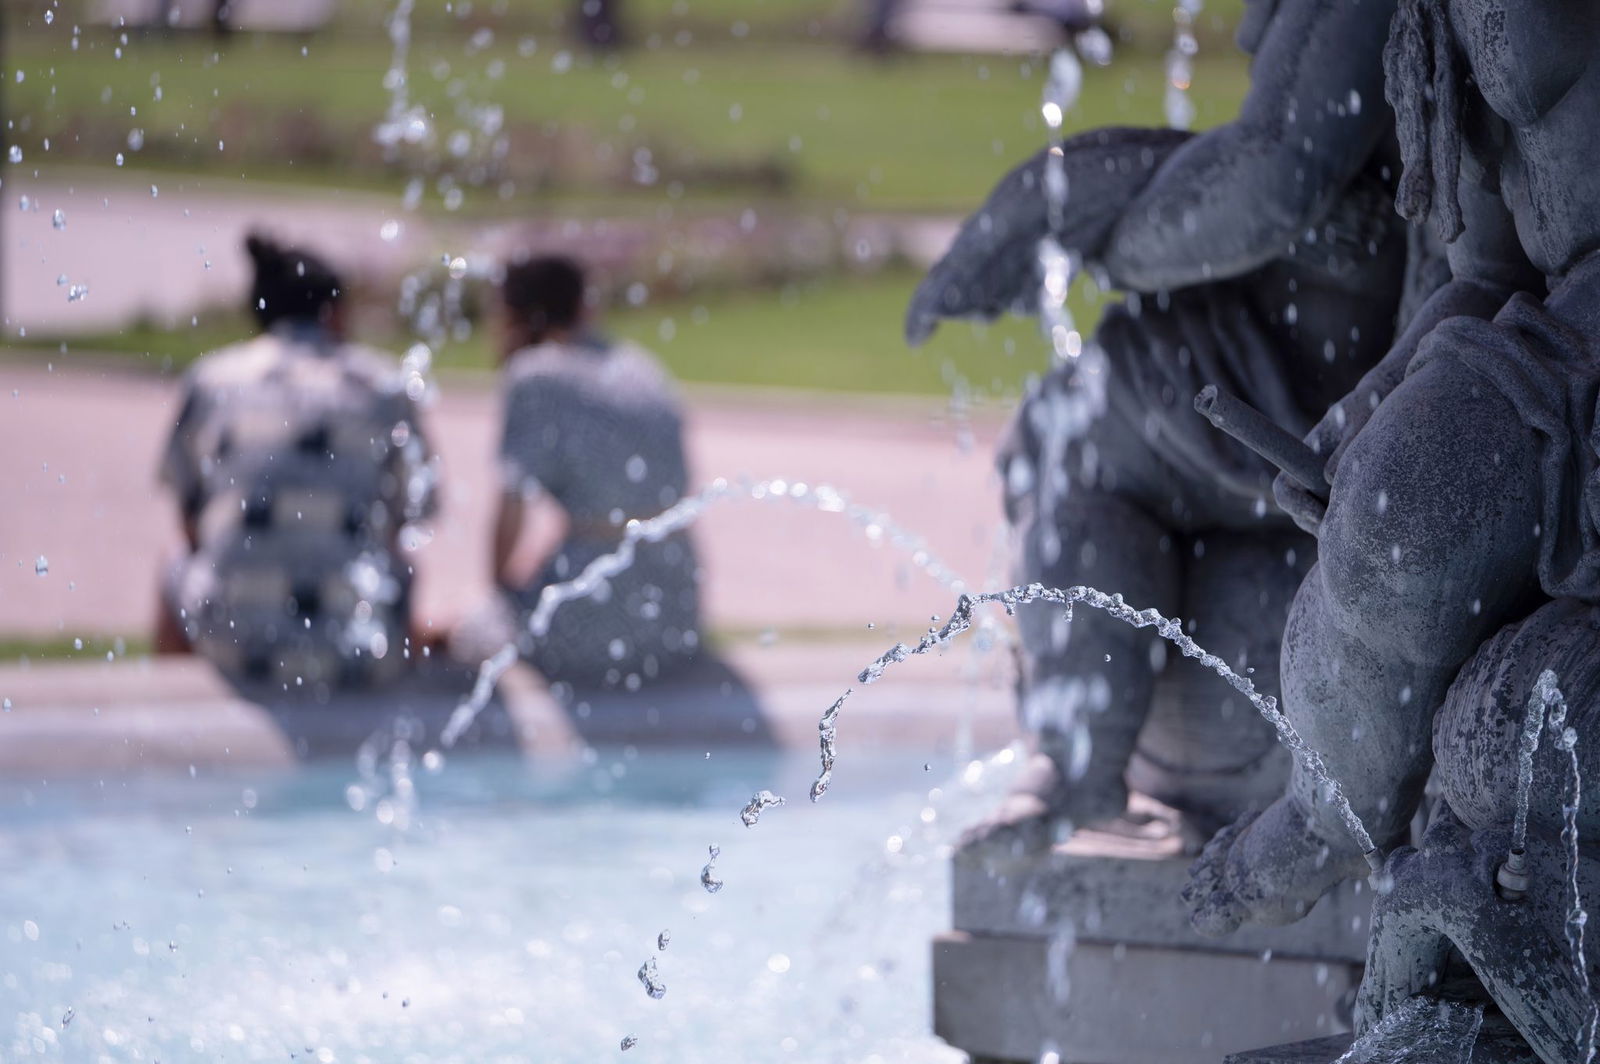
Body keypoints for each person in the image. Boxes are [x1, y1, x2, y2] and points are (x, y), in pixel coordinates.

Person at [910, 0, 1416, 853]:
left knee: (1073, 445)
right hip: (1364, 372)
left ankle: (1082, 760)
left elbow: (1269, 181)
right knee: (1081, 428)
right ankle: (1082, 765)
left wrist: (1077, 218)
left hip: (1336, 396)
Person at [1184, 0, 1591, 943]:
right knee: (1370, 509)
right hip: (1559, 318)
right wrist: (1361, 407)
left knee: (1398, 525)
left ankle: (1332, 819)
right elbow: (1489, 270)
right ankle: (1334, 810)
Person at [157, 233, 439, 691]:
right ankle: (391, 698)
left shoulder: (214, 379)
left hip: (232, 645)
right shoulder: (385, 386)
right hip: (354, 647)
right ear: (334, 313)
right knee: (402, 565)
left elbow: (190, 527)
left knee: (174, 563)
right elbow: (409, 520)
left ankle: (171, 710)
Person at [483, 253, 701, 689]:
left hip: (597, 612)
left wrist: (498, 593)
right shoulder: (639, 364)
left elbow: (513, 504)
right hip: (679, 609)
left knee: (467, 633)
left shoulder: (536, 374)